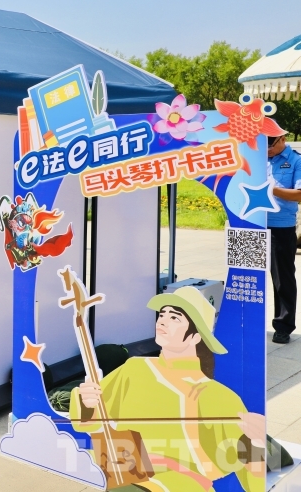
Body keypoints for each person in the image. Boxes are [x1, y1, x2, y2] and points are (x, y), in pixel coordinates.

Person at [71, 286, 265, 491]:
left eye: (175, 318)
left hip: (179, 483)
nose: (162, 321)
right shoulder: (135, 368)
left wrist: (257, 442)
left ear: (196, 336)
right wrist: (88, 403)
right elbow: (90, 421)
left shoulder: (219, 396)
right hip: (122, 469)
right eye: (162, 315)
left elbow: (252, 474)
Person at [266, 134, 301, 344]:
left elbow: (299, 194)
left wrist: (269, 189)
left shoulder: (296, 160)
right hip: (253, 225)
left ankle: (283, 326)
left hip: (281, 228)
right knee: (247, 276)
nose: (267, 150)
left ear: (282, 139)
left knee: (282, 279)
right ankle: (247, 322)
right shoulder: (256, 158)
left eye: (270, 145)